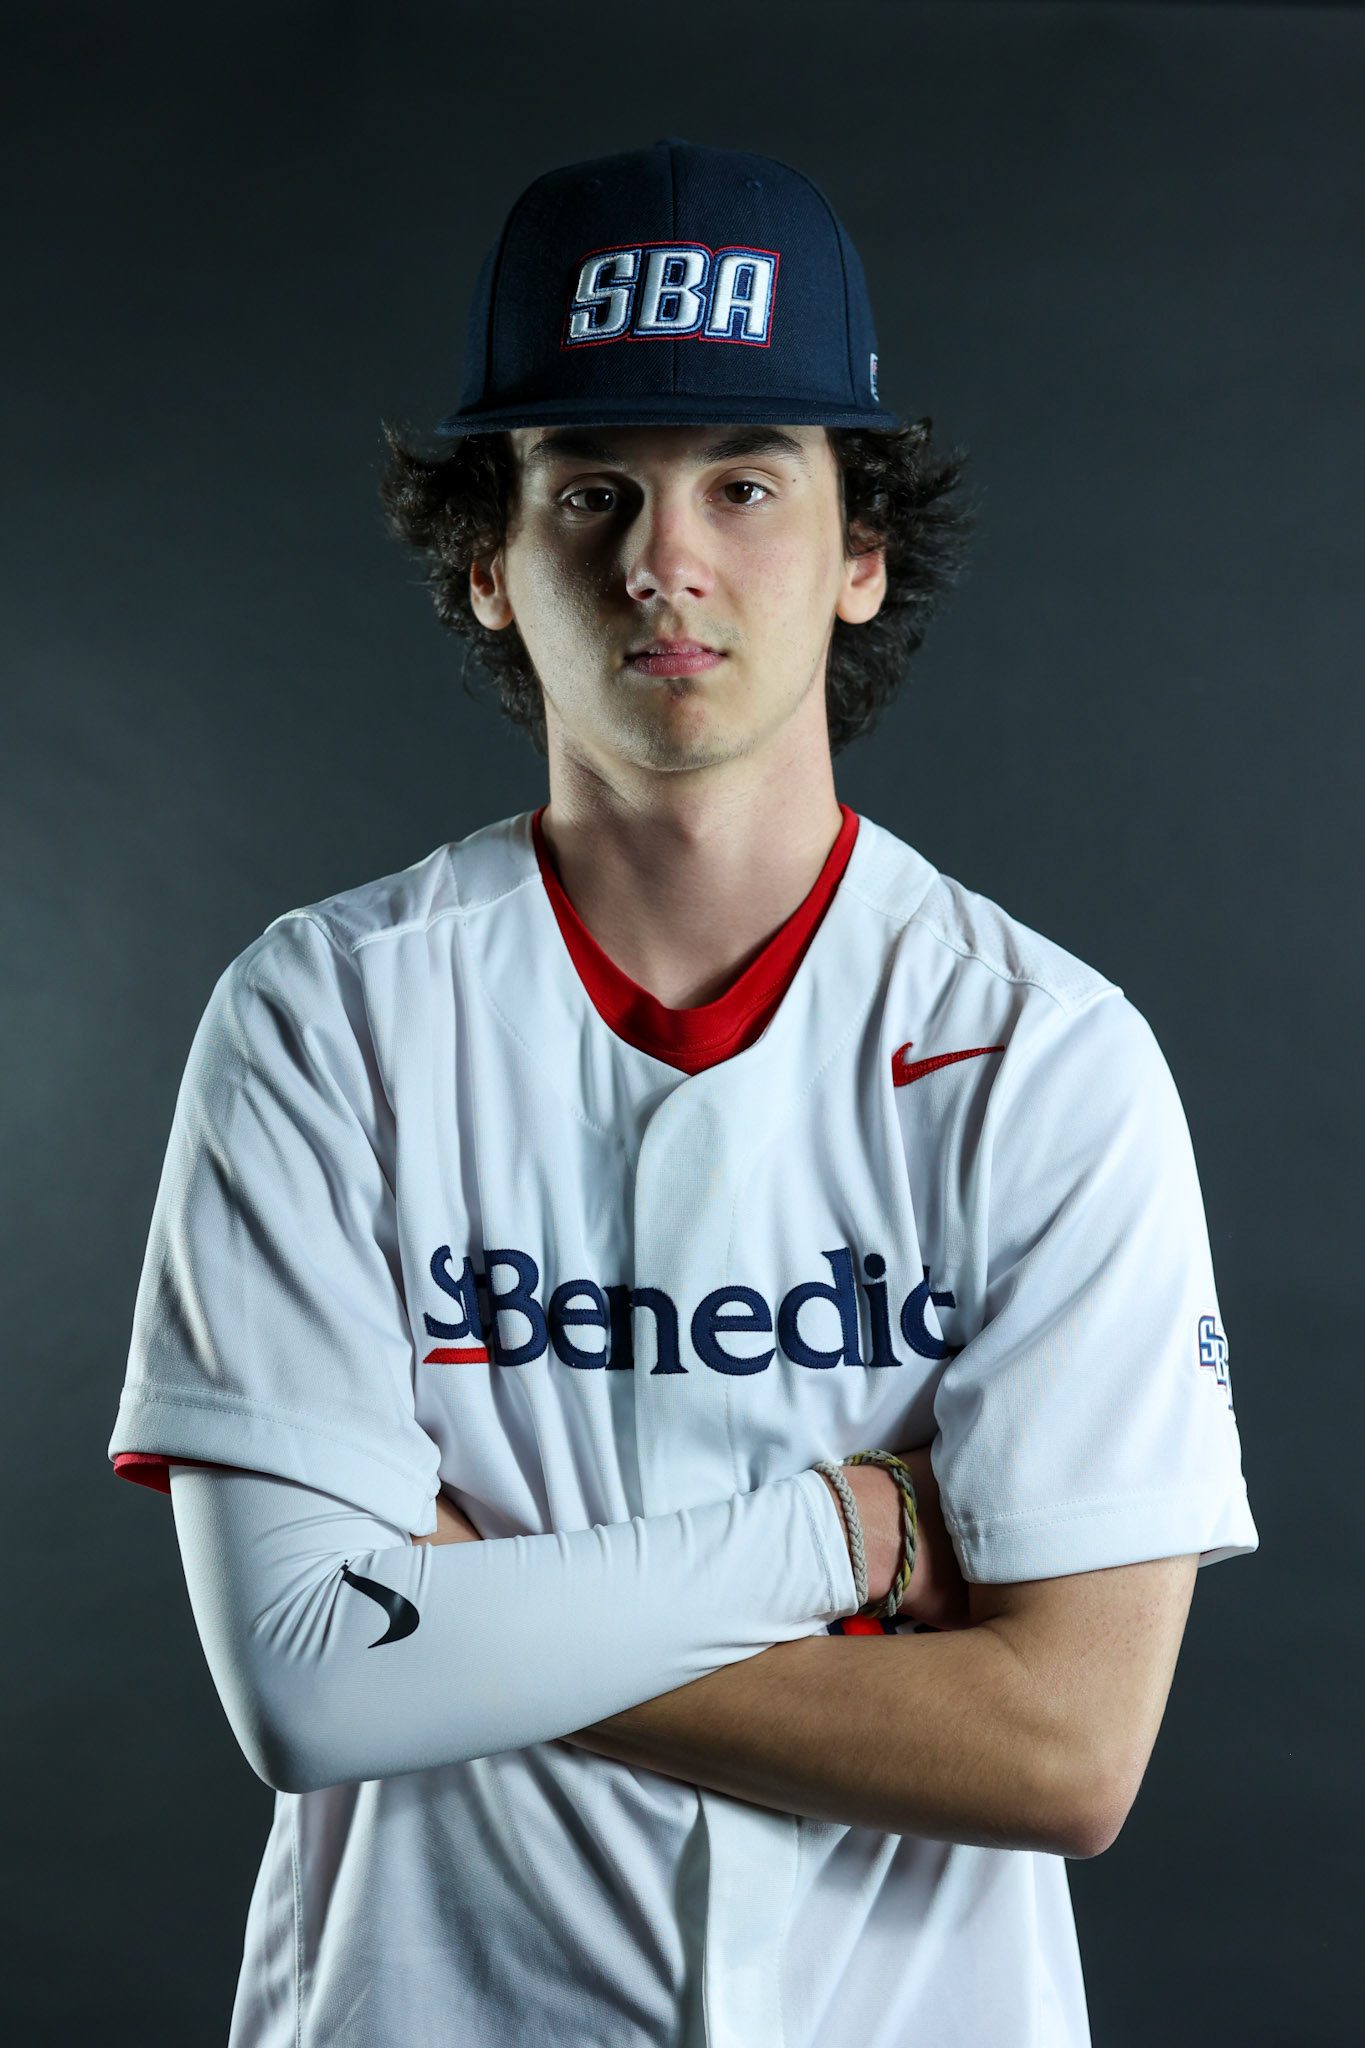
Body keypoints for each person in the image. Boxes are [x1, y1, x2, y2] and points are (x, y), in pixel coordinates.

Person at [108, 140, 1257, 2048]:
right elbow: (307, 1686)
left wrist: (466, 1628)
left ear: (860, 552)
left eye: (744, 482)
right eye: (591, 491)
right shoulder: (320, 1018)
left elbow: (1063, 1751)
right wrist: (853, 1538)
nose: (665, 560)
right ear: (488, 563)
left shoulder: (1047, 1053)